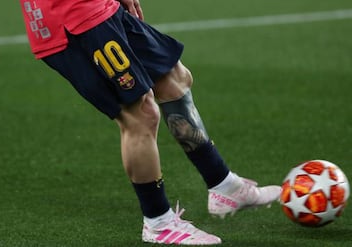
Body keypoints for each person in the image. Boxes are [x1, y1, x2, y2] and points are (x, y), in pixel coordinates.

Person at [19, 0, 281, 245]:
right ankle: (158, 222)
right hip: (72, 19)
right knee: (140, 115)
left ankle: (224, 186)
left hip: (96, 7)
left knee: (174, 80)